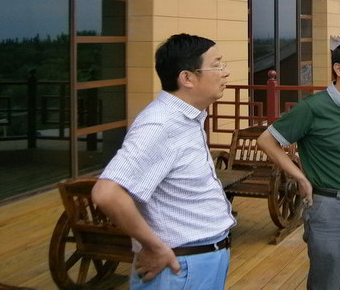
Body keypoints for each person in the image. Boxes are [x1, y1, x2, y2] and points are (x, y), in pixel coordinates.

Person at [92, 33, 235, 289]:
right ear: (187, 78)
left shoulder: (187, 118)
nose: (225, 72)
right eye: (217, 65)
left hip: (200, 260)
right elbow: (107, 193)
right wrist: (154, 246)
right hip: (180, 268)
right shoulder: (160, 124)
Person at [257, 41, 340, 290]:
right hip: (331, 207)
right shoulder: (313, 107)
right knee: (327, 281)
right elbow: (266, 141)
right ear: (339, 69)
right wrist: (300, 177)